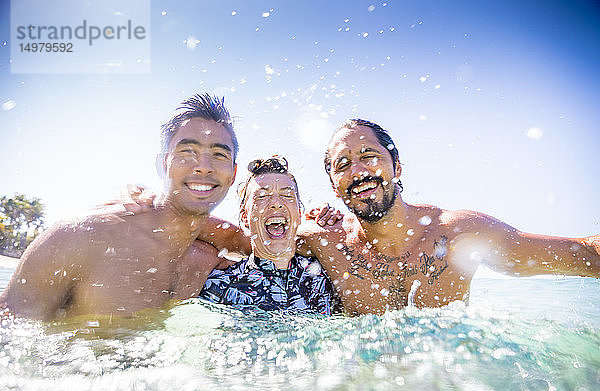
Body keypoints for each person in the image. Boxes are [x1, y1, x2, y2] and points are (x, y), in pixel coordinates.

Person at [296, 118, 600, 314]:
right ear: (335, 188)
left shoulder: (459, 234)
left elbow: (586, 254)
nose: (358, 172)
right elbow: (253, 240)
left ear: (397, 167)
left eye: (369, 156)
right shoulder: (324, 239)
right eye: (343, 164)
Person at [0, 93, 240, 320]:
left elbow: (259, 246)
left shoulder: (205, 262)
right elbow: (9, 336)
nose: (204, 166)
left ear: (232, 174)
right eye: (187, 151)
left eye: (219, 155)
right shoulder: (81, 238)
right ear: (162, 164)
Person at [199, 156, 335, 314]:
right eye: (262, 196)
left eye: (287, 195)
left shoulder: (328, 279)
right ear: (245, 216)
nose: (276, 203)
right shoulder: (219, 286)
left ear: (299, 213)